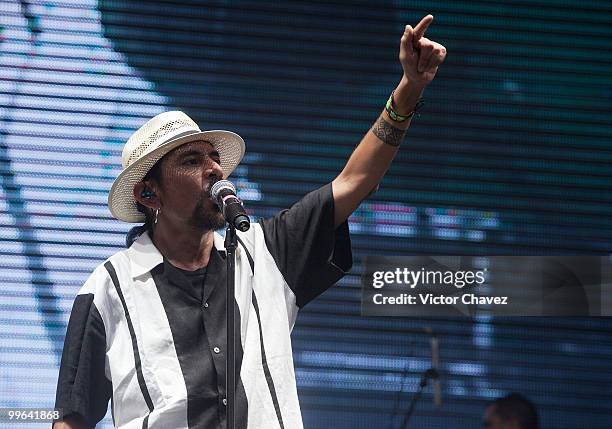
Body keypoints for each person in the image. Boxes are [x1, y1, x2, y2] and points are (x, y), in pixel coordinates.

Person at [53, 14, 446, 429]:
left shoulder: (265, 251)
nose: (214, 170)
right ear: (149, 194)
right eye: (192, 161)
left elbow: (354, 181)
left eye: (214, 158)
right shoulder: (107, 288)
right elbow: (71, 417)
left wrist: (408, 91)